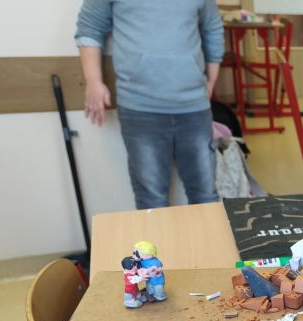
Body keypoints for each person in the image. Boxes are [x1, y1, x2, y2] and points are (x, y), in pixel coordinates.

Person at [75, 0, 224, 210]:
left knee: (205, 196)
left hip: (194, 108)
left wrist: (211, 82)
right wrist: (93, 82)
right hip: (140, 108)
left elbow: (212, 28)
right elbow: (90, 27)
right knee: (151, 201)